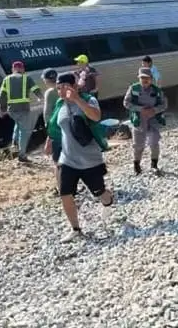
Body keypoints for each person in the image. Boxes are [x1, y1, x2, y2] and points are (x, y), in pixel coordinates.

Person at [47, 72, 113, 243]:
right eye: (58, 88)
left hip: (89, 159)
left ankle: (108, 201)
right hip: (67, 159)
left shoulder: (88, 100)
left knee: (99, 193)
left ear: (75, 86)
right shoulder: (60, 104)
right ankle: (75, 229)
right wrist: (49, 140)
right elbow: (56, 125)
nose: (61, 91)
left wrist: (76, 99)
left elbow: (96, 116)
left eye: (64, 87)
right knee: (65, 193)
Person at [123, 67, 168, 175]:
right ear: (139, 78)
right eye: (142, 78)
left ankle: (154, 165)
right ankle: (137, 166)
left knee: (154, 143)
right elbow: (126, 103)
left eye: (147, 78)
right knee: (138, 145)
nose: (144, 80)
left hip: (153, 120)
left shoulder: (157, 91)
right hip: (139, 120)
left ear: (151, 79)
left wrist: (154, 110)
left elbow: (164, 104)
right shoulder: (133, 88)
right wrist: (140, 109)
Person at [0, 61, 43, 163]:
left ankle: (14, 143)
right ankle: (22, 155)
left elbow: (2, 95)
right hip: (23, 108)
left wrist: (0, 109)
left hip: (12, 110)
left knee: (18, 124)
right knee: (24, 131)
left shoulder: (6, 79)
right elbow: (36, 90)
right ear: (22, 69)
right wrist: (41, 98)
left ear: (13, 69)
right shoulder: (26, 78)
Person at [41, 68, 62, 194]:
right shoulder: (64, 88)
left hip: (56, 130)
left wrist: (49, 135)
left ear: (47, 80)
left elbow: (47, 114)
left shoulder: (50, 92)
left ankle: (61, 188)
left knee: (57, 161)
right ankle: (73, 185)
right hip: (67, 127)